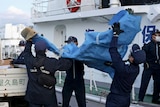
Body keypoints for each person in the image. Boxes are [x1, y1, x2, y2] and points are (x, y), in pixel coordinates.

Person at [21, 27, 72, 107]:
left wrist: (29, 40)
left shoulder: (29, 61)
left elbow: (26, 52)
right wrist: (64, 53)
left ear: (34, 50)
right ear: (46, 50)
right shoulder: (52, 62)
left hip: (33, 97)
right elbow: (67, 64)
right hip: (49, 97)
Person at [106, 23, 146, 107]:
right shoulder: (136, 69)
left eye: (131, 54)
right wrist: (113, 64)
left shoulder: (123, 68)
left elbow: (113, 50)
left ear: (132, 59)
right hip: (125, 99)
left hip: (115, 99)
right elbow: (122, 64)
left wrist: (115, 35)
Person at [62, 36, 86, 107]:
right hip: (69, 80)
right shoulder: (66, 54)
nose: (69, 45)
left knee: (81, 102)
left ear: (76, 43)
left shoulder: (80, 52)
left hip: (79, 81)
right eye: (68, 43)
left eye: (71, 43)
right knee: (65, 102)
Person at [138, 30, 160, 104]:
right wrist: (145, 62)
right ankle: (140, 98)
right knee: (144, 82)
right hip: (149, 66)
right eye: (156, 35)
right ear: (152, 36)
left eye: (158, 35)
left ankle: (155, 99)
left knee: (157, 83)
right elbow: (142, 54)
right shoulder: (148, 45)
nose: (157, 37)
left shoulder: (159, 45)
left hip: (158, 66)